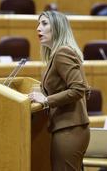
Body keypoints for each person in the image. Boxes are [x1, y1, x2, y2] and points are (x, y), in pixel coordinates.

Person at [28, 11, 90, 171]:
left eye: (44, 23)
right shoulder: (58, 54)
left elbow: (79, 89)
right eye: (38, 24)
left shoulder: (62, 53)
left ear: (57, 27)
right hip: (70, 128)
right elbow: (85, 88)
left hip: (69, 130)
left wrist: (47, 100)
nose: (38, 28)